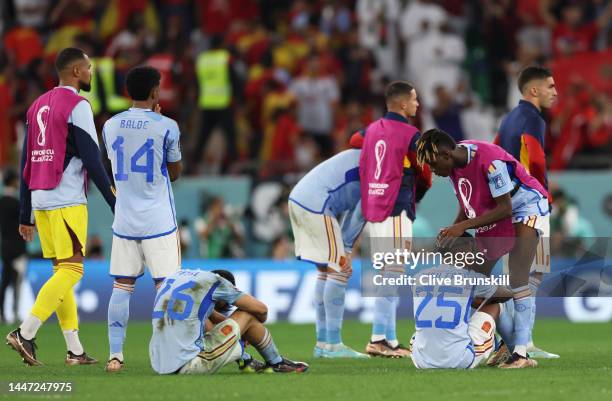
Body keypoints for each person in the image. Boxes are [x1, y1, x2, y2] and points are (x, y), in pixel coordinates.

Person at [7, 47, 116, 366]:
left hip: (41, 199)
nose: (92, 72)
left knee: (61, 270)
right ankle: (25, 333)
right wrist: (114, 202)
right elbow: (93, 161)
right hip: (66, 197)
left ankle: (75, 350)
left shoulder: (36, 105)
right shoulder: (78, 105)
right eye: (90, 68)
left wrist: (25, 213)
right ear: (77, 72)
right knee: (72, 269)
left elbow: (26, 161)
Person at [415, 128, 550, 368]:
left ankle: (521, 354)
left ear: (446, 155)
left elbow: (505, 208)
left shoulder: (490, 162)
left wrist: (462, 227)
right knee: (474, 281)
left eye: (434, 165)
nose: (434, 172)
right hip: (493, 213)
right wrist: (452, 229)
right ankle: (505, 346)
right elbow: (468, 204)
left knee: (518, 277)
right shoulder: (456, 166)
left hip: (526, 206)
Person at [101, 66, 182, 373]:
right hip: (158, 220)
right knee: (166, 287)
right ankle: (166, 353)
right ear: (154, 92)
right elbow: (174, 173)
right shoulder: (168, 126)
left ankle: (115, 355)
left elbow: (112, 163)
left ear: (127, 92)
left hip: (124, 219)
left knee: (122, 286)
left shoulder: (110, 125)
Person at [350, 81, 431, 358]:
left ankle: (391, 339)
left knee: (388, 273)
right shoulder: (410, 133)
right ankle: (378, 339)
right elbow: (425, 166)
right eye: (415, 99)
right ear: (402, 104)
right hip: (397, 206)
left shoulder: (371, 130)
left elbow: (354, 141)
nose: (417, 104)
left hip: (375, 206)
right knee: (393, 271)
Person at [495, 66, 559, 360]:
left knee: (520, 273)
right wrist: (544, 193)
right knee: (532, 273)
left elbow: (494, 153)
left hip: (510, 202)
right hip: (530, 203)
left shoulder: (509, 119)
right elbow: (535, 157)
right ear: (533, 90)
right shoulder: (533, 119)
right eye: (550, 86)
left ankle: (514, 340)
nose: (554, 92)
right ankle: (523, 342)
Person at [149, 268, 308, 375]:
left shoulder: (180, 276)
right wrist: (248, 327)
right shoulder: (217, 282)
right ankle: (276, 362)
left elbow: (213, 323)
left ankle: (245, 360)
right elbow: (262, 310)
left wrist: (239, 331)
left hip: (158, 363)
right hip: (188, 364)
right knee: (248, 314)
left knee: (206, 327)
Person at [288, 148, 368, 359]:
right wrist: (347, 250)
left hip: (299, 198)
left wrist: (344, 248)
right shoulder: (378, 167)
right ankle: (333, 345)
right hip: (317, 204)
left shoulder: (364, 154)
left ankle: (322, 343)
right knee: (339, 270)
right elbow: (361, 212)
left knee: (325, 270)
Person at [410, 236, 513, 369]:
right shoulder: (470, 278)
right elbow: (506, 295)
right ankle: (510, 347)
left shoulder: (418, 277)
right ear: (467, 250)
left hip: (421, 362)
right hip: (460, 359)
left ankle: (498, 344)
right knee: (495, 304)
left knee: (419, 334)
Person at [0, 168, 27, 324]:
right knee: (17, 283)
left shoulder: (1, 202)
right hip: (18, 250)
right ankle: (16, 312)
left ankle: (2, 313)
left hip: (5, 248)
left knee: (4, 282)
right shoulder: (17, 204)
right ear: (13, 182)